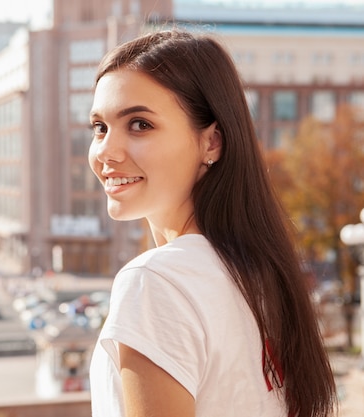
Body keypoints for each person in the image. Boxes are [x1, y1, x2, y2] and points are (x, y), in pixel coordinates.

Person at [87, 29, 336, 417]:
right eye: (100, 127)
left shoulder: (155, 283)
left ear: (212, 142)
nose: (105, 151)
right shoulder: (264, 275)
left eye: (139, 124)